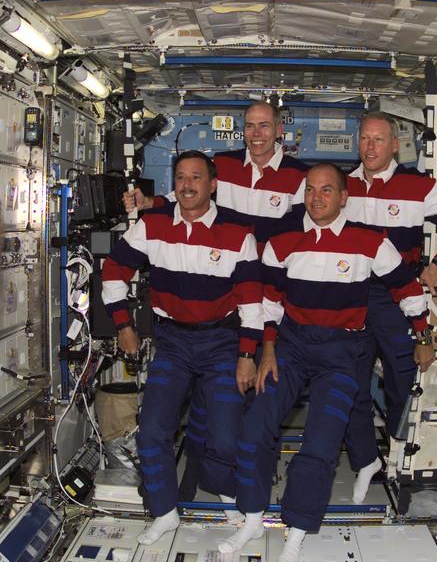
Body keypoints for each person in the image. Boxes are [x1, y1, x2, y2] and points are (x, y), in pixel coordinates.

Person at [219, 164, 434, 562]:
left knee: (320, 444)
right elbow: (269, 302)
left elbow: (406, 287)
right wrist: (267, 351)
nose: (317, 198)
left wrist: (422, 338)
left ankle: (296, 533)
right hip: (292, 346)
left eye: (327, 190)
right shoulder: (282, 241)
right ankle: (250, 520)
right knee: (255, 424)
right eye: (311, 190)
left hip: (342, 352)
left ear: (343, 196)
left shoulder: (370, 242)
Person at [124, 101, 307, 508]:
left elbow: (305, 226)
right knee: (211, 402)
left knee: (252, 398)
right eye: (249, 126)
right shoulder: (221, 166)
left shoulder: (297, 177)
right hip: (225, 288)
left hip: (268, 294)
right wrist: (146, 205)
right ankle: (199, 468)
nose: (256, 133)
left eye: (264, 126)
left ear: (279, 130)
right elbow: (184, 197)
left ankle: (240, 472)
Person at [102, 151, 264, 545]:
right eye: (180, 178)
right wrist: (123, 324)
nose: (187, 185)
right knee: (153, 431)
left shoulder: (238, 234)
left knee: (225, 438)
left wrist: (246, 355)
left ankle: (222, 484)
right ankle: (165, 511)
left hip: (221, 342)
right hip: (172, 342)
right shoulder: (152, 225)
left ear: (213, 185)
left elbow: (251, 301)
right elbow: (114, 270)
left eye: (196, 178)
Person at [342, 112, 437, 503]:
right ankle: (366, 460)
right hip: (351, 295)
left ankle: (400, 456)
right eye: (364, 138)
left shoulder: (416, 186)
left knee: (403, 380)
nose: (370, 147)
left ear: (394, 144)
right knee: (350, 382)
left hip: (398, 296)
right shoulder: (344, 186)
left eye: (378, 139)